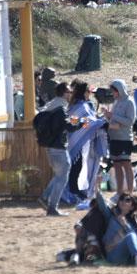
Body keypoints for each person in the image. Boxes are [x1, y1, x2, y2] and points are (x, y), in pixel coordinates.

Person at [36, 83, 77, 217]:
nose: (71, 94)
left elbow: (61, 124)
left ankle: (45, 198)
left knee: (59, 175)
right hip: (58, 148)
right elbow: (69, 127)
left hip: (51, 147)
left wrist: (74, 121)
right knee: (62, 177)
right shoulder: (60, 108)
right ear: (64, 93)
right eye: (69, 92)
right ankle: (52, 207)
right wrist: (83, 123)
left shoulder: (52, 105)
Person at [104, 79, 137, 198]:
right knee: (116, 164)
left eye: (114, 91)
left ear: (120, 90)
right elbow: (114, 120)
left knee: (126, 164)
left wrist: (113, 116)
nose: (113, 93)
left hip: (125, 138)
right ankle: (119, 192)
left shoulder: (130, 102)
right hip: (114, 138)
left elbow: (130, 121)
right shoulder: (116, 102)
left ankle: (130, 192)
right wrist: (108, 117)